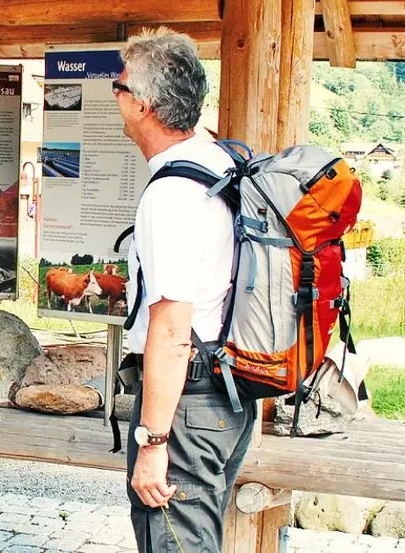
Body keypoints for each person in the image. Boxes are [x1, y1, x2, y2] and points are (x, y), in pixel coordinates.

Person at [113, 29, 257, 552]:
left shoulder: (171, 195)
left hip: (188, 406)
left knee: (175, 542)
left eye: (119, 85)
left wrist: (153, 442)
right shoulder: (220, 163)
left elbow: (172, 331)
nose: (115, 94)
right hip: (226, 392)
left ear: (145, 106)